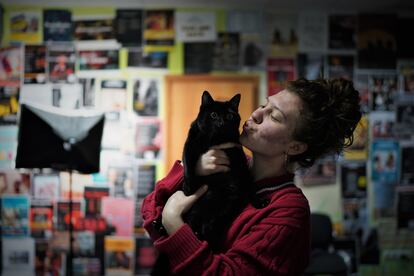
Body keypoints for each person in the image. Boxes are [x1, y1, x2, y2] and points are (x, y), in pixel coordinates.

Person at [141, 78, 362, 275]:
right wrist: (192, 172)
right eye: (264, 104)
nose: (256, 114)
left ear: (295, 147)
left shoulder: (288, 211)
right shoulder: (230, 166)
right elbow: (151, 214)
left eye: (273, 116)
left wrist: (174, 223)